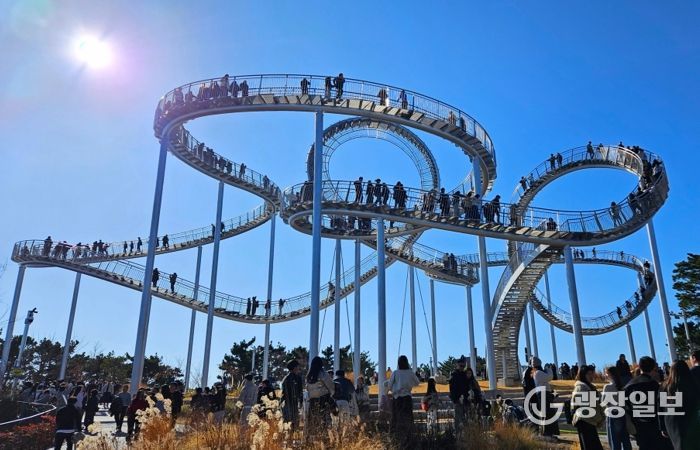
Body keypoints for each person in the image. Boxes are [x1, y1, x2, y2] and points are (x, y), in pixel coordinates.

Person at [624, 356, 673, 450]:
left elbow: (627, 408)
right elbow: (661, 406)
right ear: (653, 368)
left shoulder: (629, 385)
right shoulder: (654, 385)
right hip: (655, 425)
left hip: (639, 426)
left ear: (639, 367)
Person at [661, 360, 700, 450]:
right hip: (691, 422)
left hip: (672, 423)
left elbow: (662, 408)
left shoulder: (665, 387)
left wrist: (663, 426)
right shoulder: (692, 384)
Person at [386, 355, 419, 445]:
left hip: (397, 399)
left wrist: (392, 389)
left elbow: (389, 385)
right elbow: (417, 382)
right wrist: (409, 384)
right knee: (408, 418)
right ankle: (409, 439)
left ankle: (395, 439)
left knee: (396, 418)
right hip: (407, 398)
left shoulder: (395, 373)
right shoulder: (410, 372)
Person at [572, 365, 605, 450]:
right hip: (585, 421)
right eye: (588, 374)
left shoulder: (589, 386)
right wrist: (599, 418)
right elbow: (587, 407)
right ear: (583, 375)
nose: (591, 376)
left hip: (590, 420)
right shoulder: (581, 387)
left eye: (592, 373)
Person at [602, 366, 632, 450]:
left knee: (614, 440)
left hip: (612, 414)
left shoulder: (607, 387)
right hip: (622, 414)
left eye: (606, 373)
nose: (605, 375)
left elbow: (604, 402)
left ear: (610, 374)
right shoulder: (622, 386)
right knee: (625, 439)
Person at [306, 356, 335, 434]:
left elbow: (308, 389)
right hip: (323, 400)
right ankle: (324, 437)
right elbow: (331, 386)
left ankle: (312, 437)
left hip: (312, 402)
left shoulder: (309, 376)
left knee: (313, 422)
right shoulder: (323, 374)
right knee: (324, 421)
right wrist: (331, 394)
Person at [450, 356, 477, 430]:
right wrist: (456, 399)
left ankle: (466, 433)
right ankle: (458, 434)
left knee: (466, 419)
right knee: (458, 419)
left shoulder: (464, 374)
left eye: (463, 366)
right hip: (457, 400)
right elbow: (452, 389)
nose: (462, 367)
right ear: (457, 365)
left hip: (466, 400)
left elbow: (468, 386)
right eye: (461, 366)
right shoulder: (454, 375)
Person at [281, 360, 303, 430]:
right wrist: (301, 403)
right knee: (294, 426)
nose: (299, 368)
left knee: (288, 426)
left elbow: (282, 395)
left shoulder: (285, 379)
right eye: (298, 366)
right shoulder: (297, 378)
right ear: (294, 368)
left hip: (287, 406)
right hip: (293, 406)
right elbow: (300, 393)